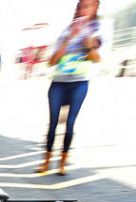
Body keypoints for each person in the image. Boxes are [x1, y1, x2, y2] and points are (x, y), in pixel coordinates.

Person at [36, 0, 102, 176]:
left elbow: (96, 58)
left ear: (95, 7)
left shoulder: (97, 29)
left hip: (79, 83)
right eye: (81, 6)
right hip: (58, 82)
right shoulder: (66, 30)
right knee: (53, 124)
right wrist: (69, 39)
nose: (84, 10)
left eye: (88, 6)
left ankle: (62, 164)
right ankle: (46, 161)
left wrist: (88, 43)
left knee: (70, 124)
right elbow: (51, 61)